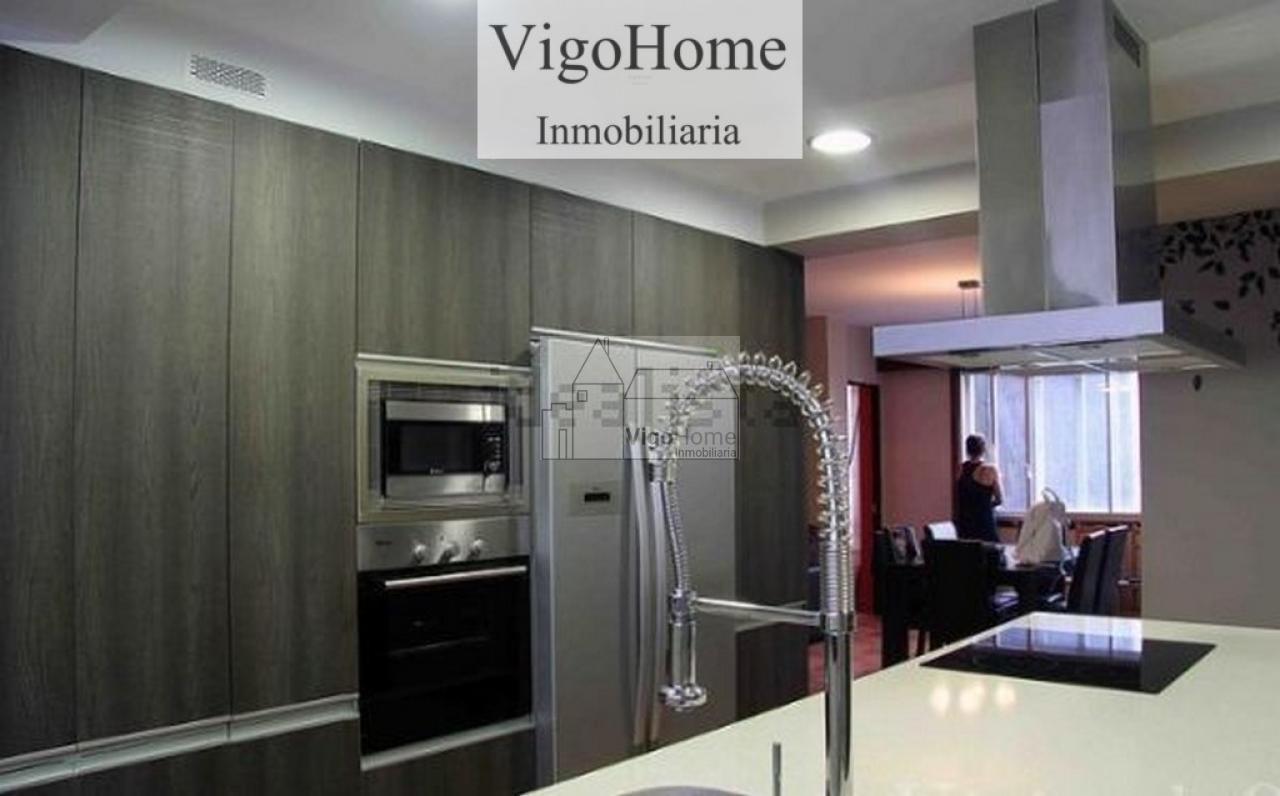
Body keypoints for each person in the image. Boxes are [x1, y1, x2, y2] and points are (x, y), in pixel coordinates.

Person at [955, 434, 1003, 543]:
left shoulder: (960, 469)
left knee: (967, 551)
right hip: (985, 521)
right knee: (991, 551)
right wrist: (984, 505)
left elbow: (958, 496)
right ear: (983, 450)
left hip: (965, 522)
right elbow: (999, 499)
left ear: (967, 450)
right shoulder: (991, 470)